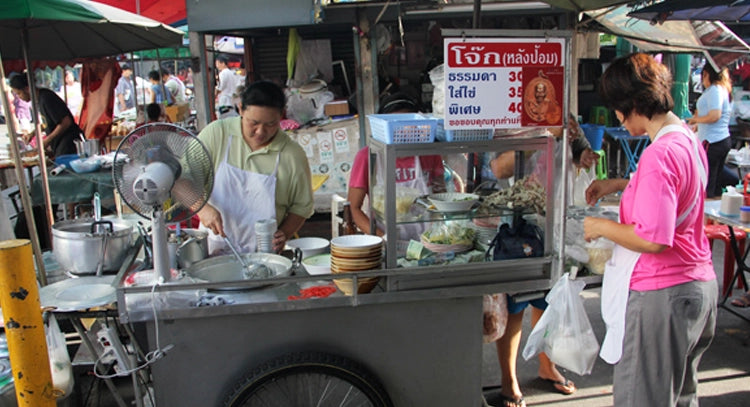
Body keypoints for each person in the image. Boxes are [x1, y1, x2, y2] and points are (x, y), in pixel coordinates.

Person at [583, 53, 716, 407]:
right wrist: (621, 183)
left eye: (618, 108)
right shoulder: (687, 140)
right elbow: (675, 192)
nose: (616, 117)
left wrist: (602, 226)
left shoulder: (659, 155)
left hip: (662, 295)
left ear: (634, 104)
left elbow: (653, 239)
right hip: (699, 288)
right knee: (680, 397)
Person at [488, 118, 592, 407]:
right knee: (515, 302)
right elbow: (498, 168)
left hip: (558, 218)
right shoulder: (507, 115)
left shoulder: (563, 108)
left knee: (550, 298)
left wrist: (581, 151)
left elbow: (578, 143)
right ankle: (509, 379)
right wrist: (543, 135)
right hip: (519, 220)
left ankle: (547, 365)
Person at [197, 80, 314, 255]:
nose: (260, 131)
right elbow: (181, 179)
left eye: (270, 124)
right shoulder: (217, 134)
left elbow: (302, 207)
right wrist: (202, 208)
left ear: (281, 115)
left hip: (265, 254)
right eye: (254, 123)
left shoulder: (292, 155)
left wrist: (285, 233)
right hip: (213, 249)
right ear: (240, 109)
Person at [347, 92, 444, 237]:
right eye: (396, 125)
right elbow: (353, 208)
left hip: (427, 240)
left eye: (408, 125)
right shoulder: (367, 157)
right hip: (384, 238)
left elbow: (440, 198)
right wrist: (382, 238)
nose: (404, 131)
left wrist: (438, 234)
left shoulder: (429, 153)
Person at [9, 73, 80, 158]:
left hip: (68, 142)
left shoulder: (46, 98)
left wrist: (47, 140)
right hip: (59, 143)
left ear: (27, 89)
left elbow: (66, 122)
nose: (19, 97)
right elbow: (48, 122)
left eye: (19, 93)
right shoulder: (39, 99)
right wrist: (32, 134)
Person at [688, 64, 733, 198]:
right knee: (714, 180)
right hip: (717, 139)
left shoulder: (715, 90)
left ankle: (707, 212)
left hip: (713, 141)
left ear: (706, 74)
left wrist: (696, 120)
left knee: (707, 182)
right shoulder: (719, 90)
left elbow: (715, 116)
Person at [215, 54, 242, 118]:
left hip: (225, 101)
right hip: (231, 101)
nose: (217, 65)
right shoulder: (231, 73)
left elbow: (220, 87)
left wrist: (215, 94)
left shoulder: (223, 74)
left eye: (218, 63)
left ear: (223, 63)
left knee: (224, 119)